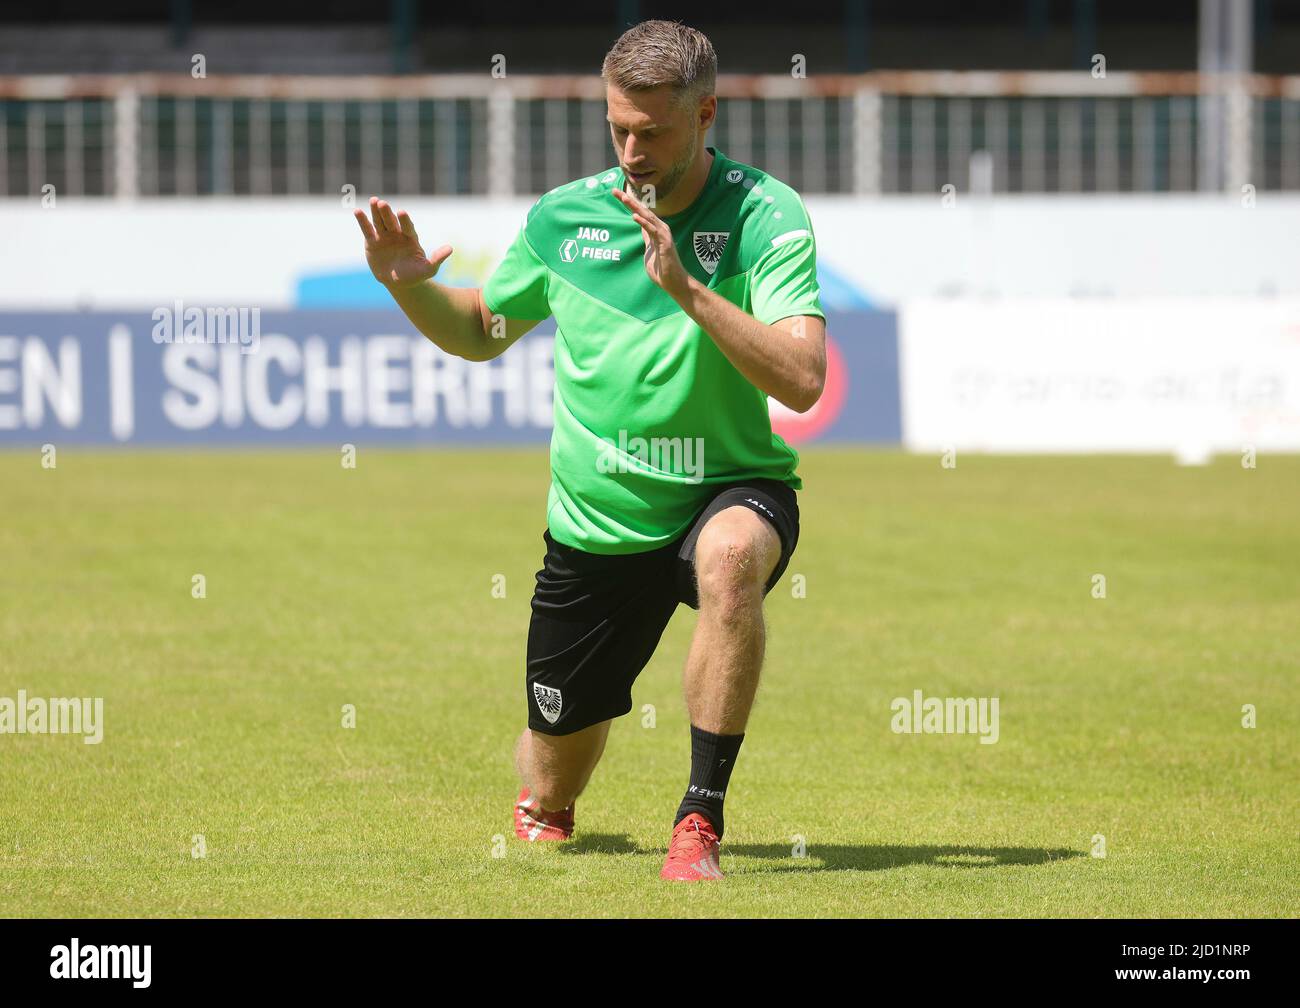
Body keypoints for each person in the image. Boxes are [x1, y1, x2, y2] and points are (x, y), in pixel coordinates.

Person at [354, 19, 826, 881]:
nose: (633, 150)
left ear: (707, 113)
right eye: (619, 129)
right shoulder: (566, 217)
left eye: (654, 130)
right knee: (548, 789)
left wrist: (686, 289)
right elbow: (482, 328)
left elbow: (800, 379)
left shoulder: (766, 213)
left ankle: (698, 821)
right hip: (596, 521)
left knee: (730, 564)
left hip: (731, 485)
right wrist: (409, 288)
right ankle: (555, 788)